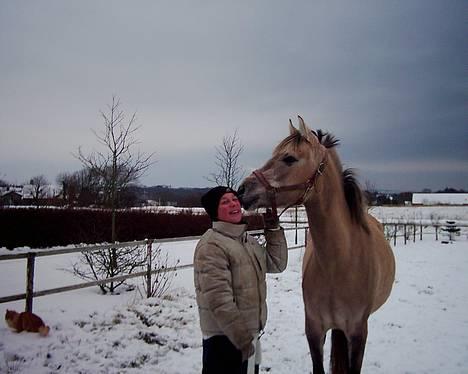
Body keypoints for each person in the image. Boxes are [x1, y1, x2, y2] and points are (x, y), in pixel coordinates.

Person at [194, 186, 288, 374]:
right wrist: (243, 341)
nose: (233, 203)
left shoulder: (247, 241)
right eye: (225, 201)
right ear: (214, 211)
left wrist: (274, 229)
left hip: (249, 337)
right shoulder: (212, 246)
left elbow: (277, 264)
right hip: (225, 340)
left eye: (235, 199)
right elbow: (219, 301)